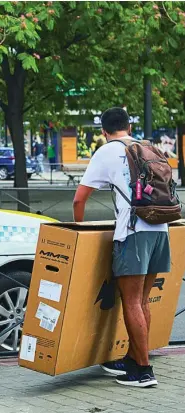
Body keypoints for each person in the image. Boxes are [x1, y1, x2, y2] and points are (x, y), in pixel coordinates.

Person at [73, 107, 170, 388]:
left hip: (132, 232)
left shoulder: (106, 151)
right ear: (128, 126)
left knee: (131, 302)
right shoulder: (145, 146)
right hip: (159, 228)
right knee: (143, 301)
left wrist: (79, 229)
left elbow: (80, 199)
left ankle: (143, 370)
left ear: (103, 131)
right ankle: (132, 358)